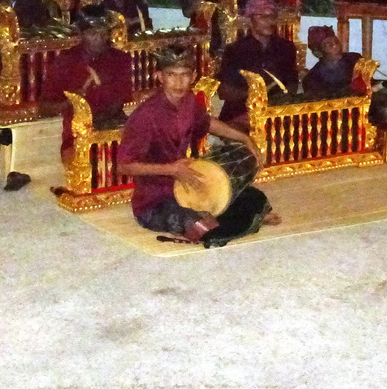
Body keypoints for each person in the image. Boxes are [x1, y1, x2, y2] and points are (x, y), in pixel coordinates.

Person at [118, 45, 280, 246]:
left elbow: (207, 122)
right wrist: (171, 169)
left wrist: (245, 139)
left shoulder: (189, 101)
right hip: (156, 200)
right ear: (159, 76)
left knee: (254, 196)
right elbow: (124, 165)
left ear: (193, 76)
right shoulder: (145, 116)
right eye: (171, 75)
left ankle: (238, 219)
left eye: (184, 75)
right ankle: (239, 222)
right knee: (201, 226)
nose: (178, 82)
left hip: (191, 182)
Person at [40, 4, 133, 164]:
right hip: (77, 134)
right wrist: (72, 101)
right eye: (92, 33)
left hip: (112, 126)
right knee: (81, 162)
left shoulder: (120, 59)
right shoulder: (65, 61)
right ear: (82, 34)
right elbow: (44, 109)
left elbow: (120, 101)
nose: (99, 38)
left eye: (103, 33)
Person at [216, 0, 299, 131]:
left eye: (272, 16)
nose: (270, 22)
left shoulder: (286, 47)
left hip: (274, 112)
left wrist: (275, 104)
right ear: (250, 20)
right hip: (241, 112)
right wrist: (255, 93)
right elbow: (224, 91)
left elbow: (292, 83)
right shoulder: (235, 50)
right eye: (263, 16)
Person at [302, 25, 367, 99]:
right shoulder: (312, 79)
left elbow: (369, 85)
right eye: (329, 44)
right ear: (318, 52)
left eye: (336, 41)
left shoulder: (354, 60)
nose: (335, 45)